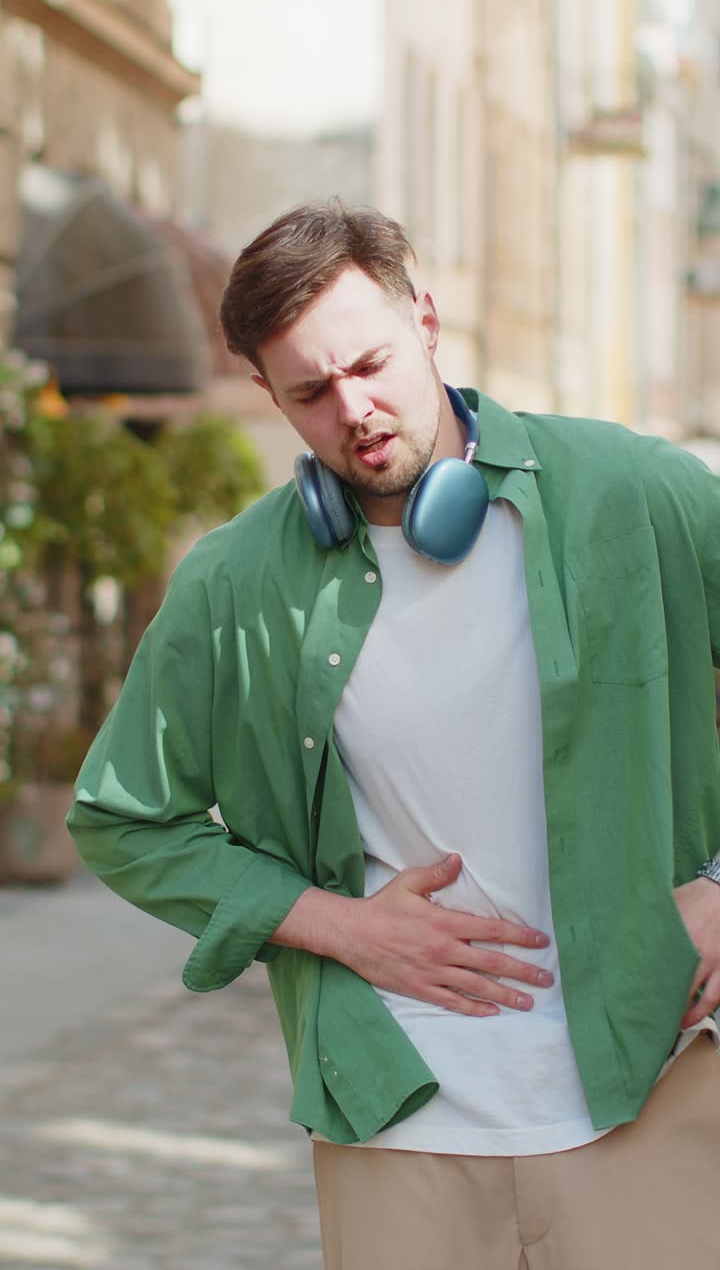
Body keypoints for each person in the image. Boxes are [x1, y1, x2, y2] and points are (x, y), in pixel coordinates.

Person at [68, 201, 720, 1270]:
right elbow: (123, 819)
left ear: (425, 315)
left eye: (370, 363)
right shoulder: (235, 583)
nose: (355, 410)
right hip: (394, 1114)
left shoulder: (634, 495)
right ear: (265, 394)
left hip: (651, 1083)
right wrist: (335, 923)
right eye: (311, 392)